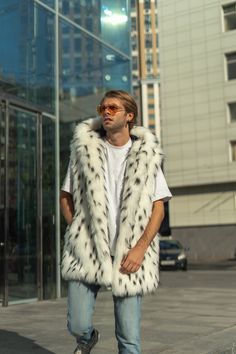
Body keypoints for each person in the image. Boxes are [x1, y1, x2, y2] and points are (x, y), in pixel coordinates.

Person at [60, 90, 172, 354]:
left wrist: (141, 248)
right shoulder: (85, 151)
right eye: (103, 108)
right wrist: (77, 230)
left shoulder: (146, 155)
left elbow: (159, 207)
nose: (106, 112)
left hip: (130, 254)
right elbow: (66, 196)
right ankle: (86, 339)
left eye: (113, 108)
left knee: (129, 338)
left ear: (129, 115)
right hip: (87, 251)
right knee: (77, 323)